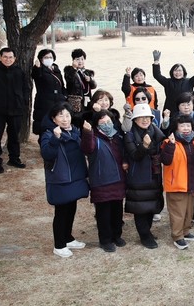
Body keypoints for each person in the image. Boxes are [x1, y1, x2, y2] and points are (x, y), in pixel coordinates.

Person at [38, 102, 89, 258]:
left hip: (75, 176)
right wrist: (56, 138)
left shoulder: (75, 131)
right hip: (61, 178)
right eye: (61, 116)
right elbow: (47, 154)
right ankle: (59, 245)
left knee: (71, 208)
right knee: (61, 211)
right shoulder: (48, 134)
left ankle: (68, 238)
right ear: (54, 119)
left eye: (67, 115)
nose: (65, 119)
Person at [81, 110, 127, 252]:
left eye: (108, 122)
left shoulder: (118, 137)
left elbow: (124, 153)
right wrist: (87, 132)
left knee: (117, 211)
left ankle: (116, 235)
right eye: (102, 123)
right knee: (103, 214)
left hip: (118, 180)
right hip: (102, 182)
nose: (106, 125)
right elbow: (87, 148)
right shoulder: (94, 138)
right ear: (96, 125)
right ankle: (105, 240)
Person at [123, 103, 165, 249]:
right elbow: (135, 155)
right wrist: (144, 146)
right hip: (138, 175)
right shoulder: (129, 135)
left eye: (147, 117)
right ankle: (144, 235)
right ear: (135, 120)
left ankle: (147, 231)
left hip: (154, 173)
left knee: (152, 205)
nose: (145, 120)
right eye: (141, 117)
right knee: (140, 207)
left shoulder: (155, 132)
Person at [160, 115, 194, 250]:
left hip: (192, 182)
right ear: (176, 128)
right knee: (178, 213)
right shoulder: (169, 142)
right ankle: (177, 236)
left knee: (189, 211)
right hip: (177, 184)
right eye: (182, 126)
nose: (186, 128)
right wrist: (171, 145)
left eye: (188, 125)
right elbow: (165, 161)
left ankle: (186, 231)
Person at [151, 49, 194, 115]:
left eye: (180, 70)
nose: (178, 72)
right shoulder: (167, 82)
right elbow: (157, 75)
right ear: (172, 72)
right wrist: (156, 61)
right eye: (175, 70)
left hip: (187, 111)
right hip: (170, 112)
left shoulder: (189, 82)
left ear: (184, 72)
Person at [31, 49, 66, 135]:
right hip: (44, 103)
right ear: (41, 59)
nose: (49, 59)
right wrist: (37, 67)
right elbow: (36, 75)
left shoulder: (56, 70)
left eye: (50, 57)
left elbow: (62, 86)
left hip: (58, 102)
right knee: (45, 126)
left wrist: (64, 96)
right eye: (46, 57)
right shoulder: (39, 69)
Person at [63, 48, 97, 113]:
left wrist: (90, 80)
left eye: (82, 59)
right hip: (76, 102)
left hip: (87, 99)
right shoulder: (69, 71)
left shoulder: (87, 72)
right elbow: (70, 80)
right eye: (77, 59)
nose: (80, 61)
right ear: (73, 60)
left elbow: (94, 86)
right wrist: (74, 68)